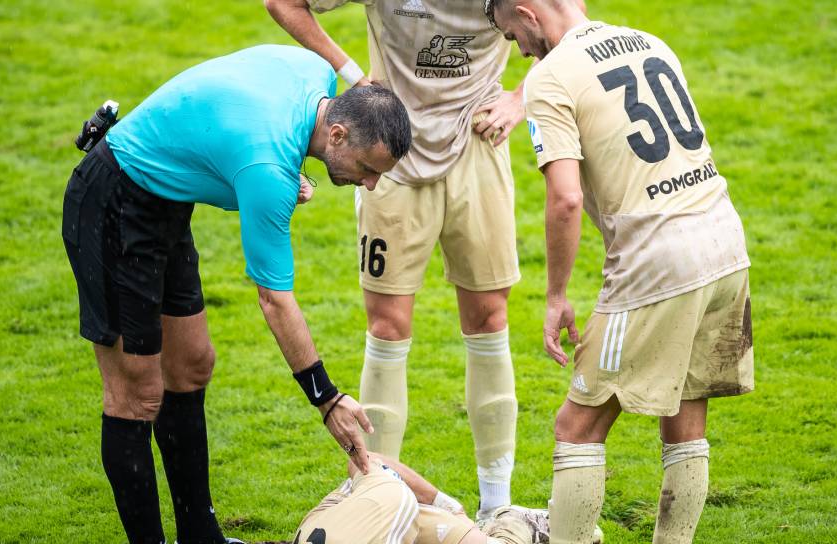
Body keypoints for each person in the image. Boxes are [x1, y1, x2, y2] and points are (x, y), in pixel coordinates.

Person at [60, 44, 412, 544]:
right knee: (137, 395)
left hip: (165, 205)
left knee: (191, 365)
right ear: (336, 134)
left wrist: (280, 169)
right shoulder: (268, 169)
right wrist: (327, 399)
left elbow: (228, 122)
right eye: (368, 167)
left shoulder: (315, 75)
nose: (371, 184)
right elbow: (275, 301)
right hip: (113, 203)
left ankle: (200, 537)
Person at [486, 1, 755, 543]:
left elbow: (565, 199)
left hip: (657, 263)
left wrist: (556, 296)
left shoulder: (550, 77)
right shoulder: (651, 42)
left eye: (513, 36)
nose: (521, 51)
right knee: (686, 412)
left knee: (577, 426)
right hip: (725, 242)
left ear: (527, 14)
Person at [264, 0, 528, 521]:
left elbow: (566, 18)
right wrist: (351, 74)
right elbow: (283, 3)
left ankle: (497, 509)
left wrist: (522, 97)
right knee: (387, 327)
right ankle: (378, 503)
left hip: (478, 143)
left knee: (489, 319)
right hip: (388, 155)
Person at [293, 453, 577, 544]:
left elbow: (364, 459)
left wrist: (447, 505)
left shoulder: (388, 497)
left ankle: (510, 523)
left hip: (373, 508)